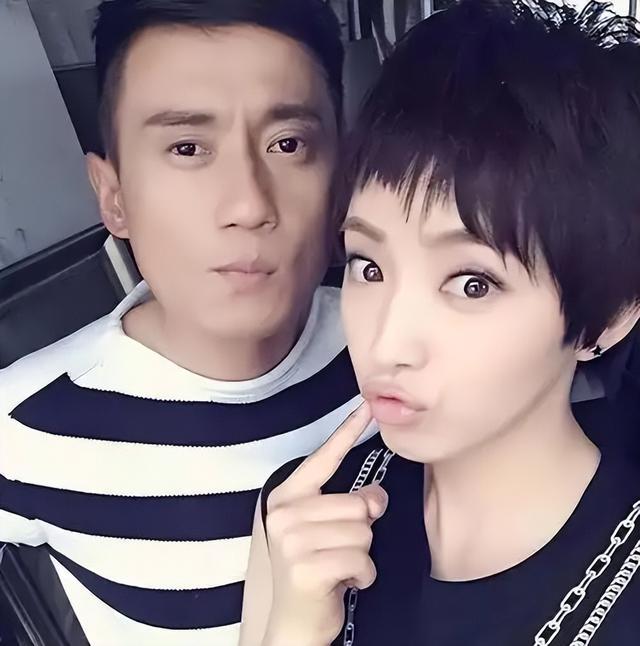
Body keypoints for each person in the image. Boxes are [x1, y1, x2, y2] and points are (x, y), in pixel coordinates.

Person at [241, 1, 640, 644]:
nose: (386, 343)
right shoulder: (302, 517)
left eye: (471, 284)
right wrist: (292, 628)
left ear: (609, 316)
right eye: (369, 266)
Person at [0, 1, 368, 644]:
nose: (248, 204)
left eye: (288, 144)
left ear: (340, 174)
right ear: (113, 195)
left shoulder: (399, 350)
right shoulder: (24, 426)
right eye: (188, 147)